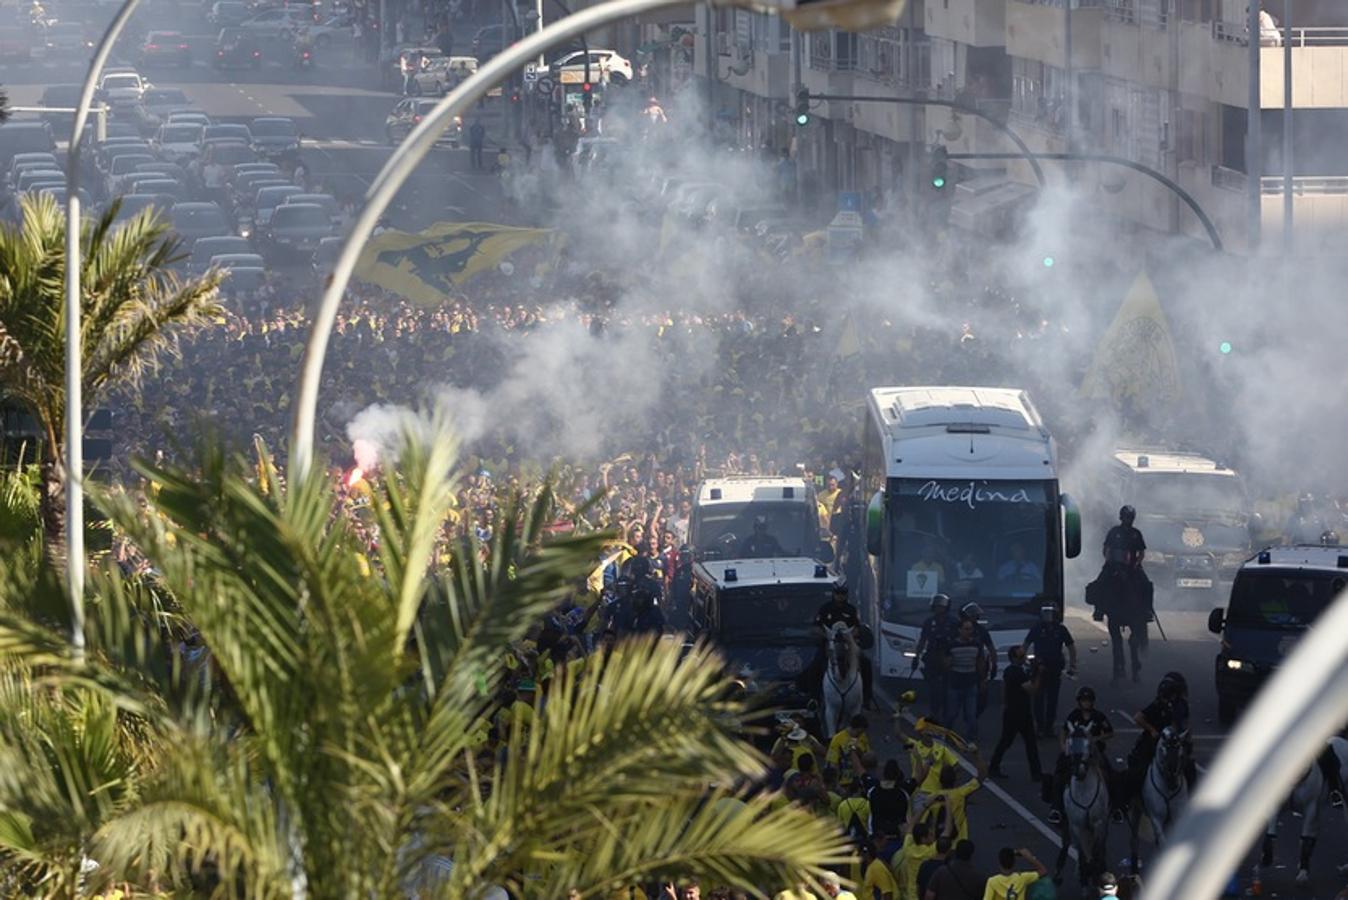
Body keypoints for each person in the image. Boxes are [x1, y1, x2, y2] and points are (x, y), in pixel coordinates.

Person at [1096, 506, 1151, 683]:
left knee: (1147, 585)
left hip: (1132, 567)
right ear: (1121, 517)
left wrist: (1136, 565)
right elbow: (1106, 549)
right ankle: (1098, 608)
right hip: (1114, 565)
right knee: (1099, 583)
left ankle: (1147, 610)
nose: (1128, 519)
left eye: (1130, 517)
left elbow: (1141, 553)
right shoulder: (1114, 532)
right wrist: (1109, 561)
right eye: (1126, 517)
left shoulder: (1136, 534)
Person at [1045, 686, 1113, 826]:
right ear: (1079, 702)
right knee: (1059, 775)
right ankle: (1056, 808)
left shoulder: (1099, 716)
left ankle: (1117, 807)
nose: (1086, 703)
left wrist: (1095, 739)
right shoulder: (1074, 715)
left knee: (1110, 774)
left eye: (1088, 700)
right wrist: (1063, 746)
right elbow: (1064, 731)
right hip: (1075, 752)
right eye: (1084, 700)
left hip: (1094, 753)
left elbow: (1110, 732)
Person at [808, 583, 874, 708]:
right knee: (814, 666)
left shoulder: (851, 610)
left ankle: (866, 697)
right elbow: (815, 628)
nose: (840, 596)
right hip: (829, 644)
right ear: (833, 594)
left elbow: (857, 628)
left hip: (848, 644)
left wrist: (851, 635)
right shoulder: (825, 608)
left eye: (843, 593)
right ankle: (814, 698)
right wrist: (826, 635)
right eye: (838, 593)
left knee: (866, 663)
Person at [988, 647, 1042, 783]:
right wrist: (1038, 674)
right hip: (1020, 712)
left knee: (1006, 741)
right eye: (1021, 656)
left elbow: (1004, 689)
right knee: (1029, 743)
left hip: (1012, 711)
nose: (1024, 658)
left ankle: (993, 766)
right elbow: (1032, 690)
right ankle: (1036, 773)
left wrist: (1005, 704)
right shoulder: (1017, 673)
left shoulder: (1009, 671)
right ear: (1013, 658)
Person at [1022, 605, 1076, 737]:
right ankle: (1040, 727)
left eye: (1050, 614)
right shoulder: (1037, 628)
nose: (1048, 617)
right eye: (1045, 614)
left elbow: (1071, 647)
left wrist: (1072, 665)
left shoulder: (1061, 629)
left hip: (1054, 668)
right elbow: (1025, 645)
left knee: (1052, 700)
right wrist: (1023, 662)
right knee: (1038, 699)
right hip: (1039, 668)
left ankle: (1049, 727)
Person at [913, 595, 956, 722]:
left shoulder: (953, 622)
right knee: (933, 689)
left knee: (947, 689)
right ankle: (934, 712)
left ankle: (947, 714)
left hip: (948, 659)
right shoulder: (928, 622)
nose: (938, 609)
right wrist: (916, 656)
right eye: (936, 606)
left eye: (941, 607)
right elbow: (922, 640)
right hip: (932, 658)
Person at [944, 618, 988, 745]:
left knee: (971, 714)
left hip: (970, 683)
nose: (969, 632)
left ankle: (971, 737)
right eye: (966, 629)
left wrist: (983, 679)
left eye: (971, 629)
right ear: (960, 630)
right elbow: (946, 664)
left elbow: (980, 663)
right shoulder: (952, 645)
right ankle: (945, 733)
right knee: (952, 713)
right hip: (955, 684)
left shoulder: (976, 645)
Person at [826, 714, 872, 790]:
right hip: (844, 782)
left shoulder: (863, 737)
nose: (860, 735)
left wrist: (859, 751)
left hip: (860, 779)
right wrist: (836, 785)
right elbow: (833, 763)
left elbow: (868, 758)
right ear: (853, 728)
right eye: (859, 732)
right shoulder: (837, 739)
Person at [982, 847, 1047, 900]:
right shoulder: (1022, 878)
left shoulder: (992, 881)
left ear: (1000, 864)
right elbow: (1043, 871)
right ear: (1014, 863)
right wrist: (1030, 857)